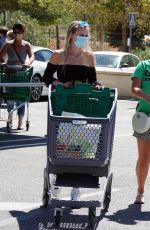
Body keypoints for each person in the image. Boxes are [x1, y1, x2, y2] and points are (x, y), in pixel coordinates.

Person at [43, 20, 101, 202]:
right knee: (62, 146)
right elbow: (46, 78)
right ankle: (57, 179)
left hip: (82, 107)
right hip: (61, 106)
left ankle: (76, 187)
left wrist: (97, 86)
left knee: (80, 148)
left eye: (86, 35)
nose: (84, 38)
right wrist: (61, 84)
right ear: (71, 35)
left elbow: (93, 81)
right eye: (80, 35)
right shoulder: (58, 56)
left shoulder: (89, 56)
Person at [0, 23, 34, 130]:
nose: (17, 34)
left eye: (19, 32)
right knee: (10, 99)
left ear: (23, 33)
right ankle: (10, 119)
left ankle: (20, 123)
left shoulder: (26, 45)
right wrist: (3, 63)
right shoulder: (8, 45)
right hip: (9, 74)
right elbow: (1, 57)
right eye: (15, 32)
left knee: (20, 98)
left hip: (21, 75)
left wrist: (28, 63)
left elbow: (32, 56)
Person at [131, 59, 150, 204]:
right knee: (144, 158)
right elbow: (134, 89)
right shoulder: (143, 66)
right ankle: (140, 191)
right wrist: (145, 96)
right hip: (145, 118)